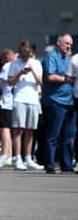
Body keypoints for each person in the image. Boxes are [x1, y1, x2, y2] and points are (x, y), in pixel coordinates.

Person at [41, 34, 75, 174]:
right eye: (66, 43)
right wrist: (66, 80)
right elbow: (50, 76)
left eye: (70, 45)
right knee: (53, 135)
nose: (68, 47)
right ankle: (49, 165)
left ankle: (66, 165)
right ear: (59, 43)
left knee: (68, 135)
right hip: (55, 101)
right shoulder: (51, 56)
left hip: (69, 101)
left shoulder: (67, 59)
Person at [8, 40, 44, 171]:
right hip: (19, 99)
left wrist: (33, 71)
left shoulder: (37, 63)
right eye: (22, 55)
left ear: (31, 53)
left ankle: (28, 158)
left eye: (27, 55)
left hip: (33, 100)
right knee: (18, 130)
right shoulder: (14, 64)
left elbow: (41, 83)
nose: (24, 57)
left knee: (30, 130)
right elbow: (10, 83)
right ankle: (17, 158)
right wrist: (20, 73)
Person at [0, 48, 16, 168]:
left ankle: (5, 155)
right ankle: (9, 155)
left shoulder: (7, 66)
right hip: (15, 102)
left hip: (7, 102)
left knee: (5, 129)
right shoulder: (18, 65)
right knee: (10, 130)